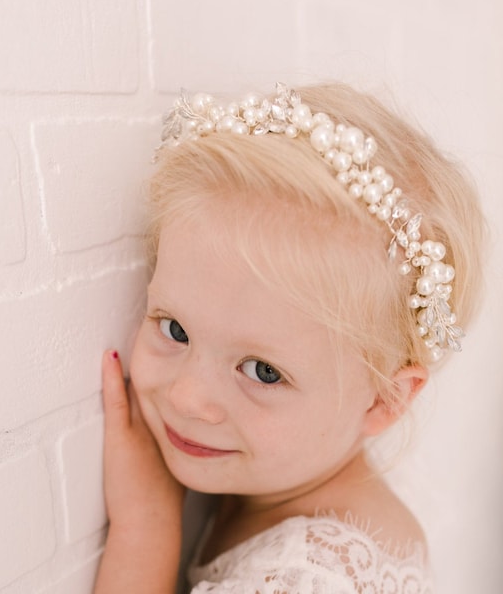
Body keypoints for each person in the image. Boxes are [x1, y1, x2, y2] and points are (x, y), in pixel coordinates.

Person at [94, 83, 484, 593]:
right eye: (176, 330)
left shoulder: (310, 578)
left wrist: (145, 526)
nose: (186, 397)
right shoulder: (293, 481)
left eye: (263, 371)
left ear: (383, 398)